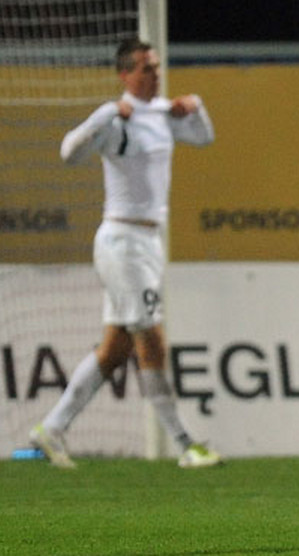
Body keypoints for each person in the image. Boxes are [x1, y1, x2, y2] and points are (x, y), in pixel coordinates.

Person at [29, 39, 221, 470]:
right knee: (152, 339)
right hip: (121, 242)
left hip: (149, 244)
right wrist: (108, 111)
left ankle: (52, 428)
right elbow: (68, 152)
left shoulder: (161, 115)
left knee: (115, 350)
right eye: (146, 69)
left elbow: (205, 138)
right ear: (125, 75)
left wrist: (196, 106)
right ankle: (186, 445)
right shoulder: (118, 121)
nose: (155, 74)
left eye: (156, 67)